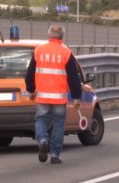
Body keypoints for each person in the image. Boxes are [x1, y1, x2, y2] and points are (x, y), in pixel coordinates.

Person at [25, 25, 82, 164]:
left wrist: (31, 90)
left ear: (49, 35)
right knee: (58, 125)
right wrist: (76, 96)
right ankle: (55, 155)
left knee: (41, 120)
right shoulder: (66, 52)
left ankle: (43, 140)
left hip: (42, 96)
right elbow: (73, 77)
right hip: (59, 98)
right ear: (62, 37)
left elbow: (30, 74)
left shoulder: (39, 50)